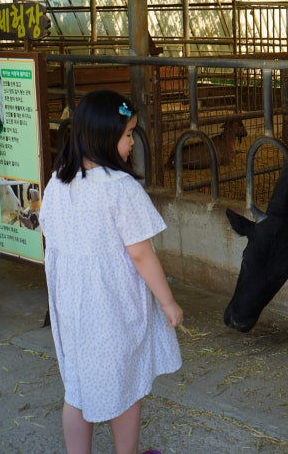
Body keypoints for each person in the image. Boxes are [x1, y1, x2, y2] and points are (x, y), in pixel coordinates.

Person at [39, 90, 183, 454]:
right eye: (126, 134)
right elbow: (140, 254)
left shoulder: (58, 182)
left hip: (71, 305)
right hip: (111, 305)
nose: (131, 142)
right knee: (125, 388)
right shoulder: (121, 189)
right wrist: (168, 302)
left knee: (77, 389)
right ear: (103, 138)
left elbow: (50, 237)